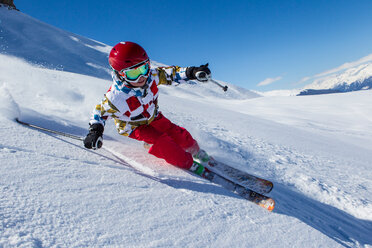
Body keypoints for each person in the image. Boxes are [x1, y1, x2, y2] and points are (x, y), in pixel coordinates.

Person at [84, 41, 210, 174]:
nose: (141, 77)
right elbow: (100, 112)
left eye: (144, 69)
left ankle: (195, 151)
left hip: (153, 116)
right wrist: (95, 132)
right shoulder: (117, 97)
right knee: (163, 142)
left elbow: (172, 74)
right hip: (133, 126)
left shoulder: (151, 77)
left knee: (177, 133)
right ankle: (187, 162)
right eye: (133, 74)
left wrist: (193, 72)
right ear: (120, 74)